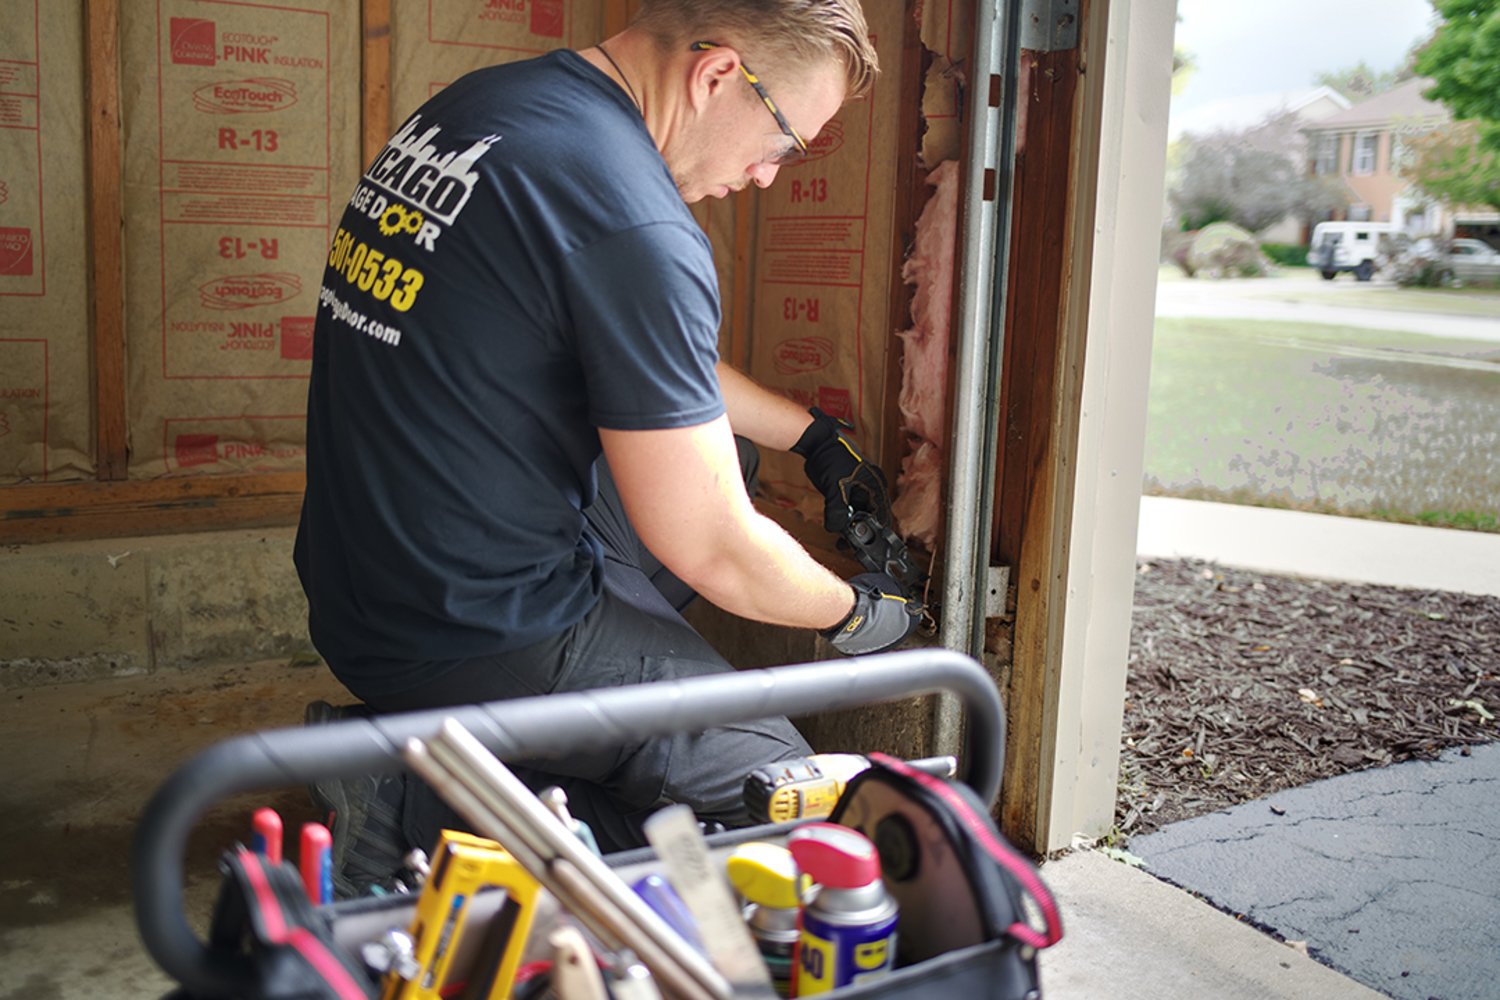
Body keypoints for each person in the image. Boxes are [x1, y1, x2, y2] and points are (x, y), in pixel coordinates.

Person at [294, 0, 914, 895]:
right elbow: (715, 547)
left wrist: (815, 438)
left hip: (361, 572)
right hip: (464, 624)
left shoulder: (487, 108)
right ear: (717, 75)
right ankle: (406, 807)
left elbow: (648, 353)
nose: (767, 175)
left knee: (728, 459)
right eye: (783, 143)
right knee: (788, 806)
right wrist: (854, 613)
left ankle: (521, 740)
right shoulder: (633, 221)